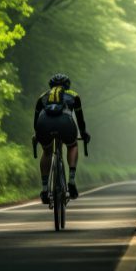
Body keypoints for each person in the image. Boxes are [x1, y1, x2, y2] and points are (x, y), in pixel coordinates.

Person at [34, 73, 90, 203]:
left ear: (51, 86)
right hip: (65, 124)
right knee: (72, 145)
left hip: (44, 125)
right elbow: (80, 120)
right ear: (67, 85)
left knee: (47, 152)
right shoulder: (74, 95)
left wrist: (37, 135)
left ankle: (44, 189)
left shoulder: (42, 97)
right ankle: (71, 179)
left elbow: (36, 121)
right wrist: (83, 133)